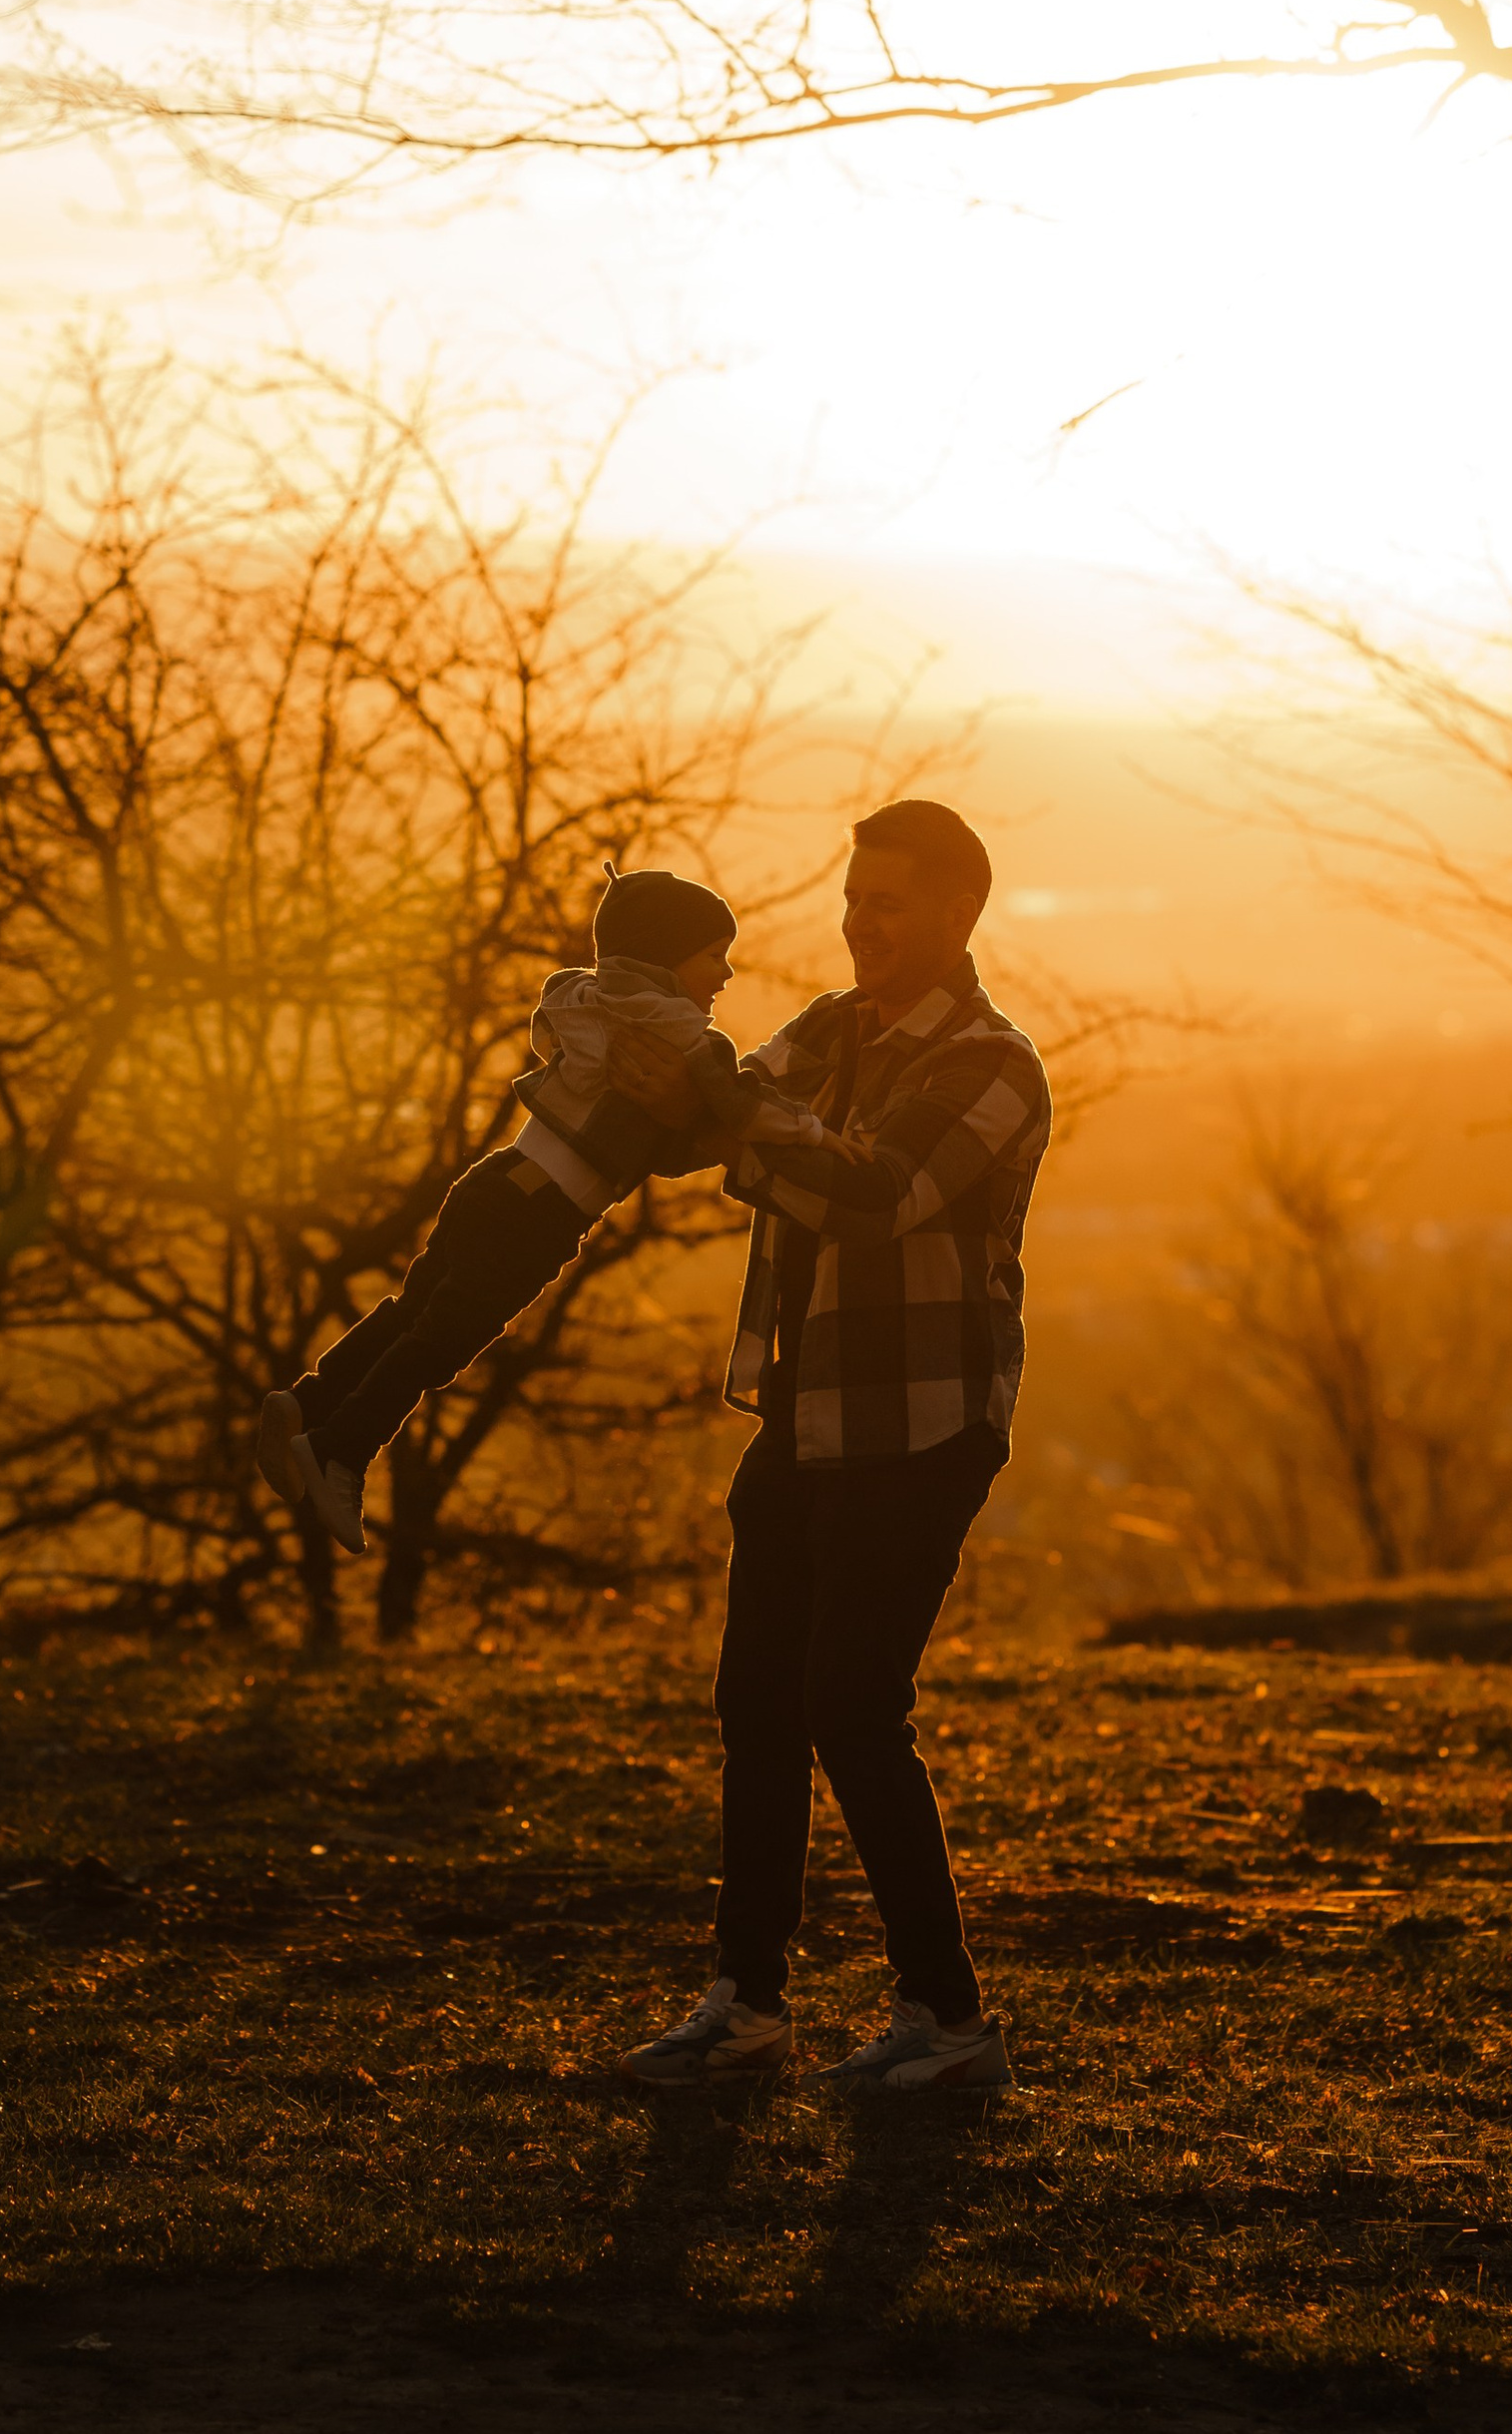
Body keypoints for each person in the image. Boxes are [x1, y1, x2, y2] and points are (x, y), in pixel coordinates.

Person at [613, 798, 1051, 2097]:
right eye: (855, 898)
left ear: (960, 911)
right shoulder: (831, 1030)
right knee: (758, 1707)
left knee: (855, 1711)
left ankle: (949, 2017)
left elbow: (873, 1194)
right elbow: (723, 1114)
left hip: (918, 1426)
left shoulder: (990, 1064)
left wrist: (737, 1123)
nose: (862, 921)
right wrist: (643, 1053)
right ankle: (746, 2006)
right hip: (806, 1411)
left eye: (891, 902)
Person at [252, 866, 836, 1558]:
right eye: (713, 955)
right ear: (663, 957)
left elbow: (578, 1064)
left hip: (498, 1179)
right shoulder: (689, 1040)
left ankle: (311, 1400)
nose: (728, 973)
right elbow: (742, 1109)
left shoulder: (580, 996)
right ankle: (339, 1453)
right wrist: (815, 1133)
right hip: (545, 1213)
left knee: (417, 1307)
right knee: (443, 1341)